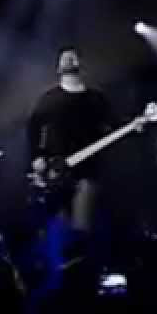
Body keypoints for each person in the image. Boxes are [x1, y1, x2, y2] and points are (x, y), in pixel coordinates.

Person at [27, 46, 117, 232]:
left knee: (81, 226)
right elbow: (33, 128)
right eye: (64, 57)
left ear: (80, 64)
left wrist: (138, 123)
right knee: (59, 225)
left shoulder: (96, 99)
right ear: (58, 67)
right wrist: (37, 156)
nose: (68, 59)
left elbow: (114, 124)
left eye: (72, 57)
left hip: (87, 170)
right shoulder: (49, 99)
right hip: (56, 171)